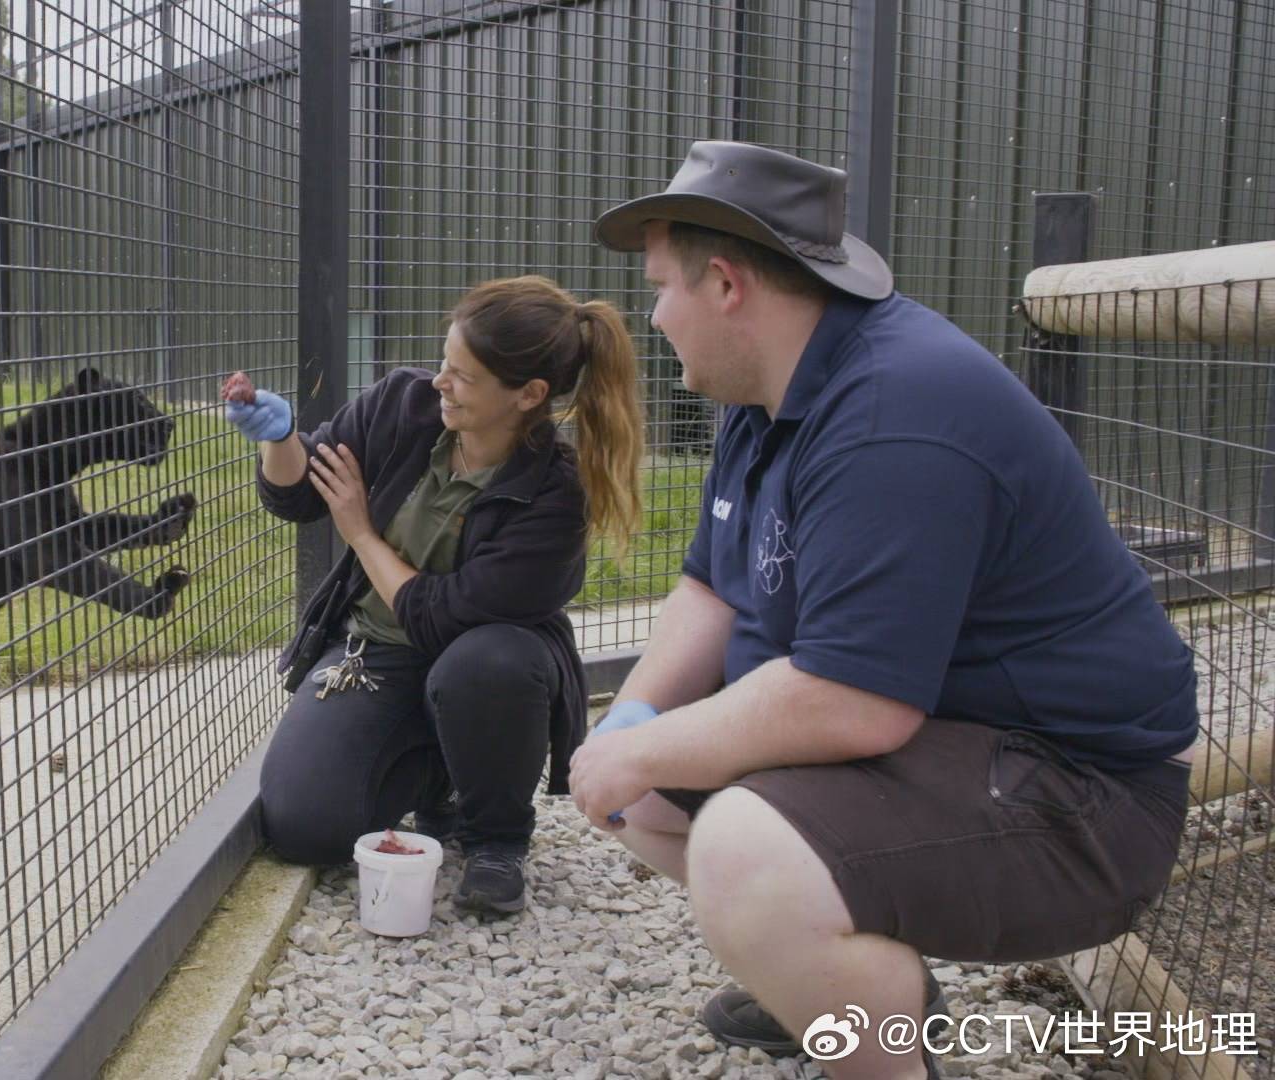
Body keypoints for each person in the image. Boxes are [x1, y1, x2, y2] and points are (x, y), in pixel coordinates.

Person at [570, 141, 1197, 1079]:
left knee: (743, 853)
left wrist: (644, 746)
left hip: (1085, 800)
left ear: (730, 284)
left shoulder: (894, 414)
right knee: (646, 797)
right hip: (964, 744)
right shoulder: (768, 387)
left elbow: (853, 702)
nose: (652, 315)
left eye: (662, 287)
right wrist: (632, 723)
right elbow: (710, 584)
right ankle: (844, 991)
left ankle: (889, 1051)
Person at [226, 275, 647, 913]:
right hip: (375, 651)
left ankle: (496, 839)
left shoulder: (555, 495)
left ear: (528, 395)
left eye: (464, 376)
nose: (440, 383)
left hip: (481, 659)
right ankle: (443, 767)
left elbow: (439, 615)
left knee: (485, 664)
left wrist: (363, 535)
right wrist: (280, 439)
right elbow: (303, 493)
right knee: (303, 826)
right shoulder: (404, 405)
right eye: (445, 363)